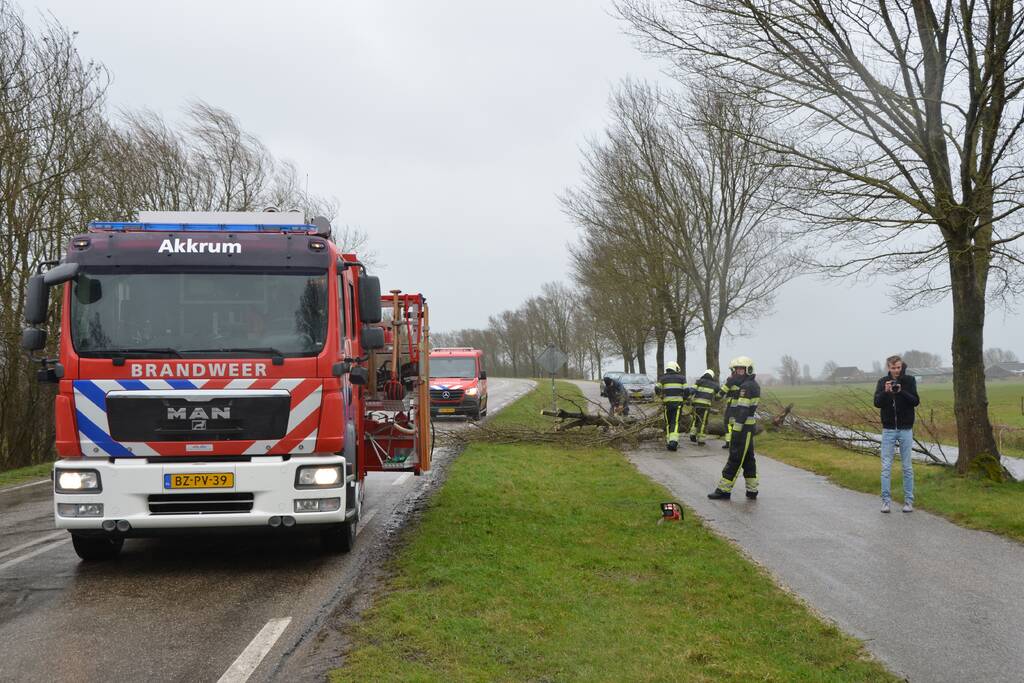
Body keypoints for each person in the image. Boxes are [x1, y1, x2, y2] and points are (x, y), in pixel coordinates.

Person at [708, 356, 760, 500]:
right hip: (746, 428)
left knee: (735, 458)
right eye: (736, 369)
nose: (738, 372)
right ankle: (752, 490)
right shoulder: (749, 384)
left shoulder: (747, 387)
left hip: (743, 429)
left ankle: (723, 490)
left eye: (741, 370)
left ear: (748, 370)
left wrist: (736, 430)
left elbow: (743, 410)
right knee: (748, 459)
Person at [873, 355, 920, 513]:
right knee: (886, 467)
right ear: (888, 367)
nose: (896, 371)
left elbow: (915, 401)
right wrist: (886, 392)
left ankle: (908, 501)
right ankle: (886, 501)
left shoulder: (909, 381)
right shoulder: (882, 382)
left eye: (898, 367)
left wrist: (901, 391)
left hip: (906, 429)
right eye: (893, 368)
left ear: (902, 366)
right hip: (888, 430)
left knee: (907, 467)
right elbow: (877, 403)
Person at [655, 362, 687, 451]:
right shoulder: (682, 378)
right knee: (675, 422)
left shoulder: (663, 378)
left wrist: (660, 396)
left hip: (667, 404)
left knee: (668, 422)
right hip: (677, 404)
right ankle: (673, 442)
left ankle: (669, 441)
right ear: (675, 368)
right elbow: (687, 390)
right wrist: (684, 398)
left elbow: (656, 388)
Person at [689, 369, 720, 446]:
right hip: (706, 406)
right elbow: (717, 396)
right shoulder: (715, 385)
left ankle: (692, 434)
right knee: (703, 422)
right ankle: (701, 439)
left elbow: (692, 390)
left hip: (696, 405)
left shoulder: (699, 382)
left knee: (695, 419)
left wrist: (688, 398)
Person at [719, 360, 742, 449]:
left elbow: (723, 390)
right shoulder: (746, 380)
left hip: (732, 405)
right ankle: (737, 441)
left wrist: (717, 396)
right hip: (742, 406)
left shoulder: (732, 379)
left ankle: (729, 442)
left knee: (727, 422)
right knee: (738, 423)